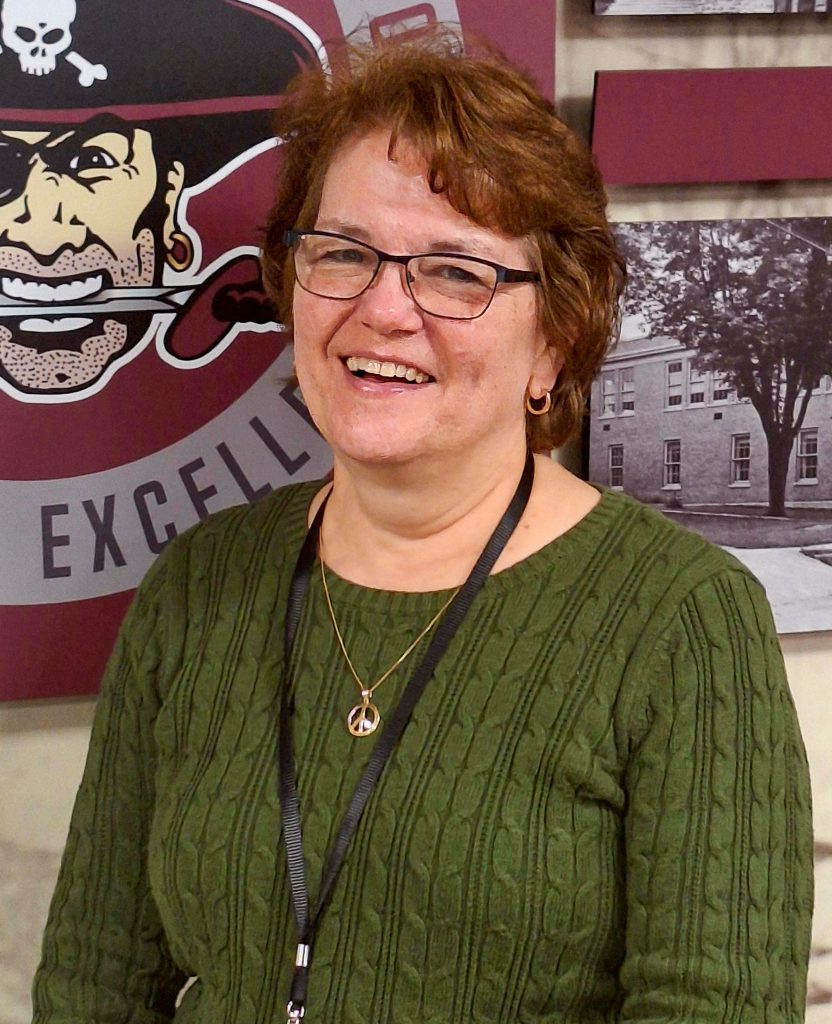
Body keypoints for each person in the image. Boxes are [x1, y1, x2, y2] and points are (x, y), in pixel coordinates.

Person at [32, 32, 813, 1023]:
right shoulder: (199, 584)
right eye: (345, 253)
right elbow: (92, 982)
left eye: (453, 272)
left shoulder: (685, 623)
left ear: (556, 340)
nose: (382, 309)